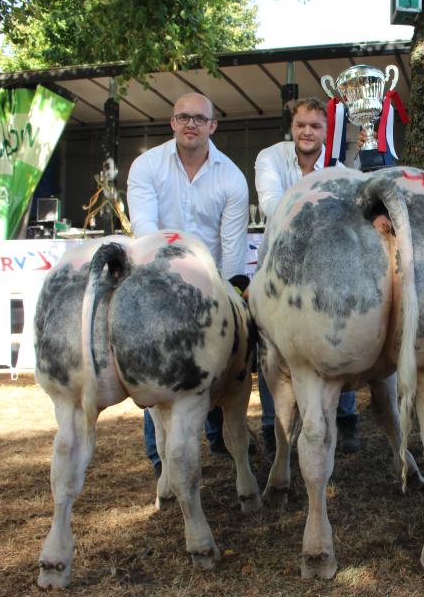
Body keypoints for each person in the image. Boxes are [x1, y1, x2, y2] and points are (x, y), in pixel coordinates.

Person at [127, 92, 250, 478]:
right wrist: (170, 277)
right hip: (158, 275)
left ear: (212, 125)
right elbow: (145, 229)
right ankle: (160, 459)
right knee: (159, 366)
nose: (190, 124)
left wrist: (230, 294)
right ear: (172, 123)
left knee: (217, 359)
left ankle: (217, 439)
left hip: (209, 281)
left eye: (199, 118)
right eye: (183, 117)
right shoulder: (146, 166)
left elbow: (233, 245)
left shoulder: (231, 177)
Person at [254, 97, 360, 454]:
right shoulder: (270, 158)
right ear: (292, 126)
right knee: (271, 344)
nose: (307, 132)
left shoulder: (340, 166)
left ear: (327, 130)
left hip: (326, 267)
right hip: (281, 264)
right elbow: (272, 204)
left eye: (315, 126)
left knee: (338, 335)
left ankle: (345, 418)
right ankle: (273, 425)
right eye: (301, 125)